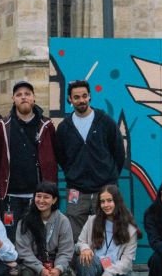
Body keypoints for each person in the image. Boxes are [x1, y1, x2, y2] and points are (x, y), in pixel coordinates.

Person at [54, 80, 127, 239]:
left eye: (84, 96)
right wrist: (73, 172)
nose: (81, 100)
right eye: (76, 97)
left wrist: (109, 175)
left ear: (90, 96)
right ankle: (81, 256)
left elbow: (119, 152)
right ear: (70, 99)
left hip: (105, 188)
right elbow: (60, 156)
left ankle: (105, 257)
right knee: (76, 234)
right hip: (76, 189)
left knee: (108, 230)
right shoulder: (64, 127)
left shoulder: (105, 121)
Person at [0, 80, 58, 242]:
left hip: (37, 196)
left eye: (27, 94)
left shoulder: (47, 125)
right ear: (13, 99)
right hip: (9, 195)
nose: (23, 97)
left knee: (38, 239)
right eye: (19, 94)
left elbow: (54, 156)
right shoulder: (3, 126)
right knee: (9, 239)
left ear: (34, 98)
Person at [74, 185, 140, 276]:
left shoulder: (130, 229)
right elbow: (79, 243)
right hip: (96, 265)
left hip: (117, 270)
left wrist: (108, 273)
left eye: (109, 201)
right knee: (84, 259)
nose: (105, 205)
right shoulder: (92, 221)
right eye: (102, 201)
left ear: (117, 202)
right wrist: (85, 248)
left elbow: (126, 262)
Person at [14, 181, 76, 276]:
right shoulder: (25, 220)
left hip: (53, 261)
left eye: (46, 197)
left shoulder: (63, 221)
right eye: (38, 196)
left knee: (66, 275)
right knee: (24, 274)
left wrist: (57, 269)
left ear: (54, 200)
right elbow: (23, 251)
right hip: (31, 263)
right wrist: (41, 269)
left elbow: (66, 251)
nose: (41, 200)